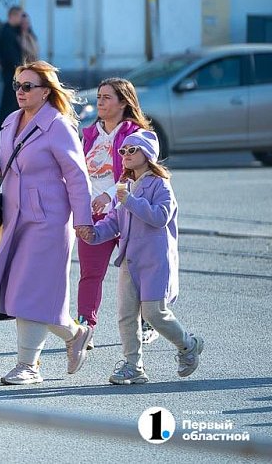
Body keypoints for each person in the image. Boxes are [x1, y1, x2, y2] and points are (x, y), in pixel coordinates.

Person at [0, 60, 95, 386]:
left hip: (49, 221)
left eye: (28, 86)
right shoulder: (11, 121)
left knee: (28, 293)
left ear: (46, 91)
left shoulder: (59, 125)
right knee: (19, 291)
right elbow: (6, 156)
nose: (20, 92)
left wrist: (83, 220)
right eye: (17, 86)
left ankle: (28, 366)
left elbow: (77, 177)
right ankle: (74, 333)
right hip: (15, 216)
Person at [79, 131, 203, 385]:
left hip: (155, 260)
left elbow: (160, 217)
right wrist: (92, 234)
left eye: (131, 150)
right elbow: (114, 221)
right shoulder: (125, 186)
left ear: (147, 154)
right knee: (126, 315)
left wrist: (131, 201)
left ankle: (188, 345)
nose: (125, 155)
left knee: (154, 313)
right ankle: (133, 365)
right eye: (122, 151)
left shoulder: (159, 184)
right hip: (129, 260)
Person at [77, 78, 156, 346]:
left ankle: (148, 321)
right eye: (99, 96)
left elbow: (137, 174)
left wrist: (108, 195)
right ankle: (84, 327)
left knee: (138, 272)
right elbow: (78, 174)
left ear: (123, 102)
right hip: (94, 216)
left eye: (107, 97)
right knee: (90, 273)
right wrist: (83, 201)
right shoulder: (89, 134)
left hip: (129, 214)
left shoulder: (135, 135)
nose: (100, 101)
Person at [0, 6, 24, 135]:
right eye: (19, 16)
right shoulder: (7, 33)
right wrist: (20, 70)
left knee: (12, 104)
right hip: (10, 75)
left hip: (13, 74)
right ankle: (2, 132)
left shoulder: (13, 31)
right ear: (13, 16)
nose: (21, 19)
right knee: (8, 105)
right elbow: (10, 56)